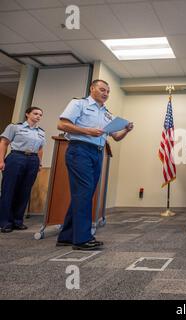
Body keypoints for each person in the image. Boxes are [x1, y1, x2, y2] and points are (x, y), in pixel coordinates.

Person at [56, 79, 134, 250]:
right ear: (92, 89)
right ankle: (82, 239)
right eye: (102, 89)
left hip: (98, 153)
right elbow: (61, 124)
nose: (105, 93)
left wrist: (126, 130)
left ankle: (67, 236)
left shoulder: (107, 113)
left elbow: (116, 136)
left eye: (108, 91)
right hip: (80, 150)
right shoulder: (79, 104)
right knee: (83, 193)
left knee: (84, 194)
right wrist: (87, 131)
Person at [0, 107, 45, 233]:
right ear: (27, 114)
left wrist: (40, 164)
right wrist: (1, 160)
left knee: (24, 191)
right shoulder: (15, 127)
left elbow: (40, 149)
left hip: (33, 160)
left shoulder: (40, 132)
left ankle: (17, 221)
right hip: (16, 157)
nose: (38, 116)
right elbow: (4, 142)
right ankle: (5, 222)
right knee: (9, 189)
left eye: (40, 115)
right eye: (35, 113)